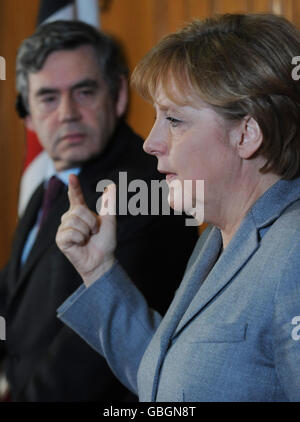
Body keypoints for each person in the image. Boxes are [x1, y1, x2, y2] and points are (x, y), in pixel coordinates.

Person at [56, 13, 300, 402]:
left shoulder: (294, 252)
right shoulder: (213, 241)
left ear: (247, 133)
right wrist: (98, 271)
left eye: (174, 120)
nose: (151, 142)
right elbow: (172, 383)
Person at [0, 20, 198, 402]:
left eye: (84, 91)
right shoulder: (59, 180)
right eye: (48, 98)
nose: (67, 113)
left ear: (119, 95)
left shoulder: (147, 189)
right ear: (28, 115)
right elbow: (15, 290)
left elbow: (88, 365)